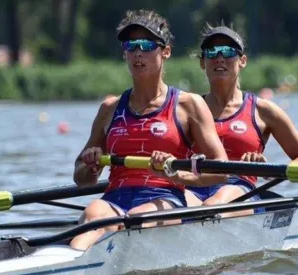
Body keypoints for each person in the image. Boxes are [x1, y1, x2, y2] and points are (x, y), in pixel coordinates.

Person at [69, 10, 229, 251]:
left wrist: (176, 175)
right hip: (115, 197)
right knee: (94, 214)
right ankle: (68, 262)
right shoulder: (110, 108)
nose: (137, 53)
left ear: (165, 52)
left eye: (146, 45)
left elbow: (221, 170)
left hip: (165, 197)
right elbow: (81, 179)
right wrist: (91, 165)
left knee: (136, 219)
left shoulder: (189, 105)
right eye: (131, 46)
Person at [185, 23, 298, 215]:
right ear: (202, 62)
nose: (219, 58)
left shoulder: (263, 110)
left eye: (228, 52)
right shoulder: (188, 108)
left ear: (242, 60)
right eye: (212, 52)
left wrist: (269, 171)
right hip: (193, 186)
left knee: (211, 207)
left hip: (239, 189)